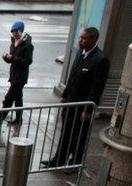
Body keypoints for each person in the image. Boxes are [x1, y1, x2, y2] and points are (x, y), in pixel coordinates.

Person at [42, 27, 109, 168]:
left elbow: (96, 88)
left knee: (79, 136)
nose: (80, 40)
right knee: (66, 132)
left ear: (93, 39)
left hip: (83, 107)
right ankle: (58, 160)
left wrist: (88, 109)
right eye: (80, 37)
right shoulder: (80, 53)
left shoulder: (100, 59)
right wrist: (65, 96)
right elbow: (72, 76)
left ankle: (75, 163)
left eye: (83, 38)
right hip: (70, 102)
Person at [0, 21, 33, 127]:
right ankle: (19, 120)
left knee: (8, 99)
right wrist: (6, 58)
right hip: (14, 76)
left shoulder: (28, 45)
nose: (14, 34)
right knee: (18, 98)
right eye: (13, 32)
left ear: (21, 31)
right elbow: (12, 60)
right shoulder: (14, 42)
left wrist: (13, 58)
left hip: (20, 78)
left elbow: (28, 61)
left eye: (16, 31)